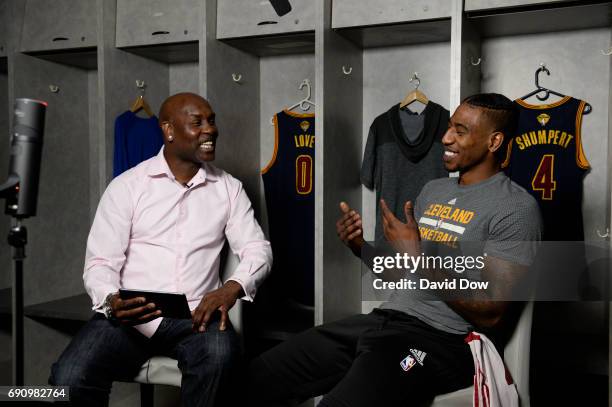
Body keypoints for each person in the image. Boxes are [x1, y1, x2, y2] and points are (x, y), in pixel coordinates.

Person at [248, 93, 542, 406]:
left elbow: (491, 312)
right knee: (257, 377)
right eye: (448, 128)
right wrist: (359, 246)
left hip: (443, 342)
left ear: (494, 141)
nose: (445, 137)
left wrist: (417, 257)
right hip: (383, 321)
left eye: (460, 130)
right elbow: (403, 274)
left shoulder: (516, 208)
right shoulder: (435, 190)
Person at [49, 93, 272, 407]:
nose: (211, 129)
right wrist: (112, 300)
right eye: (198, 122)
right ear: (168, 130)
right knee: (70, 376)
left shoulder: (228, 189)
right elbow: (100, 262)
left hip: (197, 318)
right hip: (131, 316)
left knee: (222, 359)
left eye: (212, 120)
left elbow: (257, 249)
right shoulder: (127, 186)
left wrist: (232, 287)